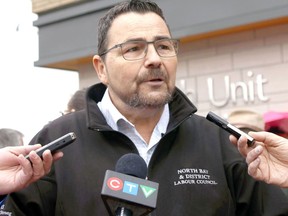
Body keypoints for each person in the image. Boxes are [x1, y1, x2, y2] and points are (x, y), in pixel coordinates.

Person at [2, 0, 288, 215]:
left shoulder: (222, 143)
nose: (154, 59)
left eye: (164, 46)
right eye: (134, 49)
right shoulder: (55, 146)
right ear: (101, 68)